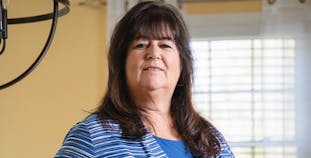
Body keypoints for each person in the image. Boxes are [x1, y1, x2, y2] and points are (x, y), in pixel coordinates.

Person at [55, 1, 234, 158]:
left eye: (165, 45)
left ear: (182, 63)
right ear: (121, 62)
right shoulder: (91, 136)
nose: (154, 53)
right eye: (141, 45)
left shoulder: (211, 139)